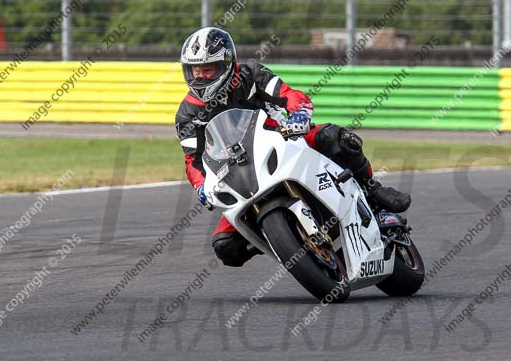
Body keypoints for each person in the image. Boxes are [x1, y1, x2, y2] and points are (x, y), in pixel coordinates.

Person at [175, 27, 411, 267]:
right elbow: (192, 161)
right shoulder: (187, 114)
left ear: (226, 64)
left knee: (335, 137)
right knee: (225, 247)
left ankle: (374, 190)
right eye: (195, 70)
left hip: (285, 140)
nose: (200, 77)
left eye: (207, 70)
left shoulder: (251, 75)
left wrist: (299, 113)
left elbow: (289, 94)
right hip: (242, 173)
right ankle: (281, 237)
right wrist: (201, 186)